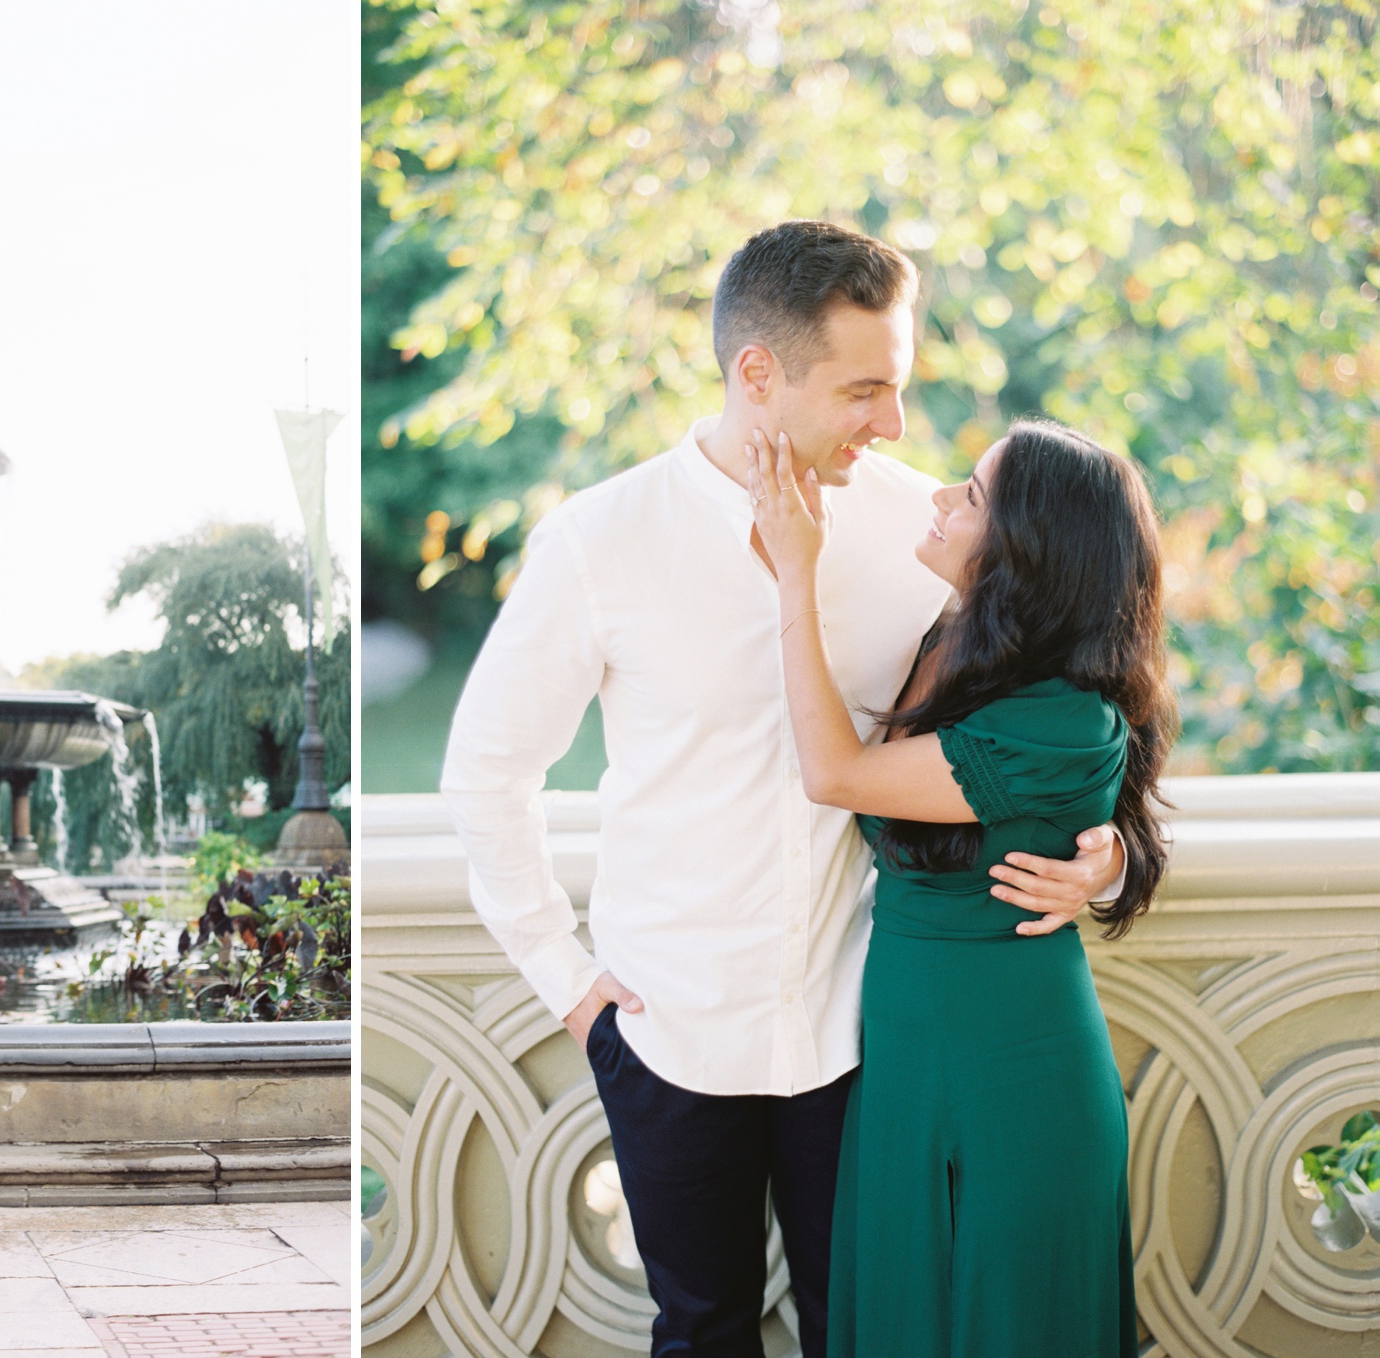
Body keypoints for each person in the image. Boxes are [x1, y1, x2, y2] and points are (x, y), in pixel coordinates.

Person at [440, 219, 1129, 1357]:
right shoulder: (599, 539)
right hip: (667, 1025)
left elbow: (1066, 697)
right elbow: (486, 770)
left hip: (861, 1028)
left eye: (896, 386)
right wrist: (566, 983)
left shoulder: (930, 529)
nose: (892, 424)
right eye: (864, 389)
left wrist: (1098, 841)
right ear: (756, 373)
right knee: (702, 1328)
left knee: (860, 1329)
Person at [747, 418, 1169, 1356]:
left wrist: (794, 575)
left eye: (971, 496)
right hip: (903, 1061)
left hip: (1014, 1072)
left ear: (1028, 548)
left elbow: (838, 776)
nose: (940, 497)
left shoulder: (1062, 714)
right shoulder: (953, 637)